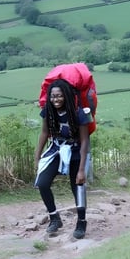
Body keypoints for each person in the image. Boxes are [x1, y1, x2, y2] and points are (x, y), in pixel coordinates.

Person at [34, 79, 91, 239]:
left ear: (65, 95)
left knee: (77, 187)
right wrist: (37, 155)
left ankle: (81, 222)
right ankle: (54, 218)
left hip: (75, 151)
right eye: (52, 96)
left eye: (59, 96)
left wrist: (81, 170)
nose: (55, 99)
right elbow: (45, 132)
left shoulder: (79, 113)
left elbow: (85, 141)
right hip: (56, 150)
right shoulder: (48, 110)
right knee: (42, 183)